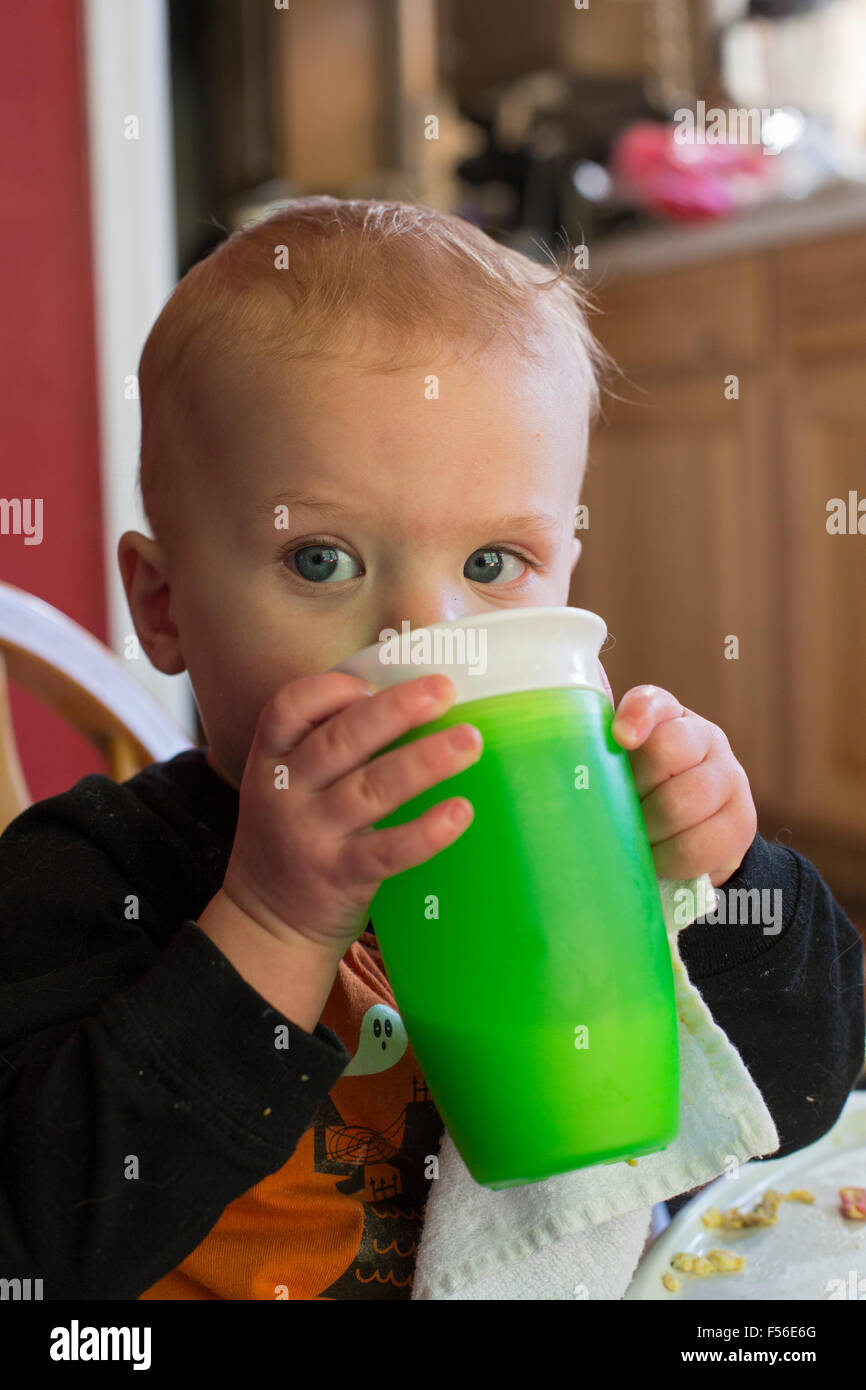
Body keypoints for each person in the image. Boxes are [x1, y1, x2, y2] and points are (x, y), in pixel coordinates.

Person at [0, 197, 862, 1300]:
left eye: (495, 563)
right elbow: (35, 1247)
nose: (426, 643)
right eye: (320, 561)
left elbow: (793, 1101)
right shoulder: (89, 876)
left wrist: (721, 880)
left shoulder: (576, 835)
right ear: (163, 606)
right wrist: (272, 921)